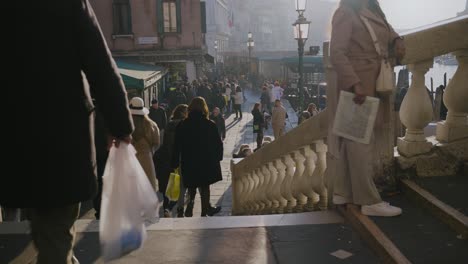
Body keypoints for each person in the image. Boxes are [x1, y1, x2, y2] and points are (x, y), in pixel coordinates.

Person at [3, 1, 134, 263]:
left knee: (48, 232)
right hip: (61, 139)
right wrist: (120, 125)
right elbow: (99, 64)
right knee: (56, 233)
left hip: (11, 137)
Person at [330, 0, 405, 217]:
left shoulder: (371, 9)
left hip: (371, 81)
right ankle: (368, 200)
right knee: (361, 141)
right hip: (359, 85)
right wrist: (355, 83)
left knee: (353, 140)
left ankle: (342, 192)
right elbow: (337, 53)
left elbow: (386, 29)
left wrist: (398, 38)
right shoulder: (345, 12)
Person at [171, 97, 223, 217]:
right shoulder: (210, 125)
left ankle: (189, 209)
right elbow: (218, 145)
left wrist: (174, 162)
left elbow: (176, 146)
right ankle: (204, 212)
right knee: (205, 187)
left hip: (188, 162)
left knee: (191, 186)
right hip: (206, 162)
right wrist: (217, 158)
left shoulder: (182, 125)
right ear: (204, 108)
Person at [154, 104, 189, 217]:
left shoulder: (169, 124)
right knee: (180, 186)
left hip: (166, 158)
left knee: (169, 184)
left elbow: (163, 142)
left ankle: (166, 207)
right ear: (184, 113)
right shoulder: (184, 125)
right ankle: (176, 210)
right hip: (179, 158)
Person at [130, 97, 160, 192]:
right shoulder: (152, 125)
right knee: (146, 190)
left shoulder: (126, 126)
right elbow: (157, 142)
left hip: (130, 160)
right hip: (146, 159)